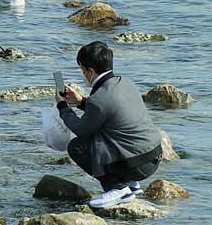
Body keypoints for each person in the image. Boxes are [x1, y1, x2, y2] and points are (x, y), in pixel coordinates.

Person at [56, 41, 165, 209]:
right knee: (106, 135)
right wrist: (80, 102)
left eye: (83, 70)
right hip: (153, 156)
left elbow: (81, 129)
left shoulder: (99, 98)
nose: (83, 74)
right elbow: (109, 112)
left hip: (136, 164)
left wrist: (62, 107)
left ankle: (117, 188)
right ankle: (131, 184)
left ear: (91, 71)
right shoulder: (125, 82)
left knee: (77, 147)